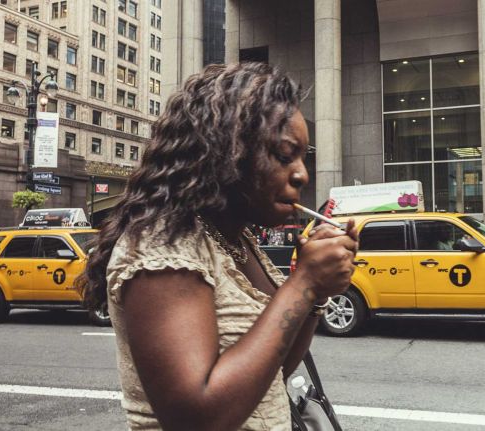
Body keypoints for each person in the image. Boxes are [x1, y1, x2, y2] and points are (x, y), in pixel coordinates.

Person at [77, 63, 359, 430]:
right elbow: (197, 419)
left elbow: (273, 368)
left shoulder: (236, 240)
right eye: (285, 155)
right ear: (227, 151)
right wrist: (303, 283)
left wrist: (317, 292)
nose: (302, 174)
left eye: (304, 158)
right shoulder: (164, 246)